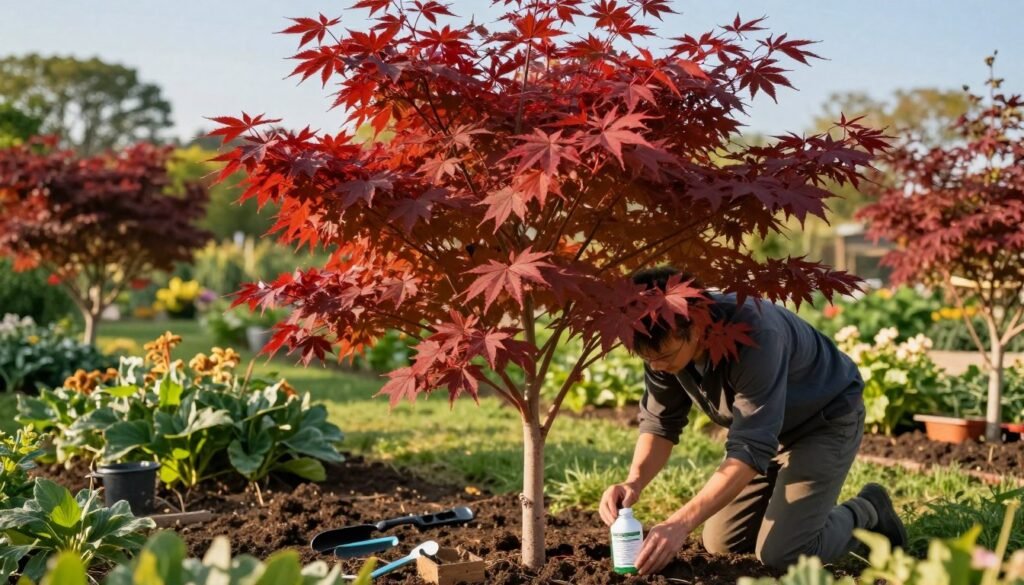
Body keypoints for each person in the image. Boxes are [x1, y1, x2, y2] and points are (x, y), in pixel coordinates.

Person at [598, 267, 907, 575]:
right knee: (722, 542)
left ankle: (868, 511)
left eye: (663, 356)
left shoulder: (756, 334)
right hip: (767, 433)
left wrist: (679, 523)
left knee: (785, 555)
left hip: (823, 420)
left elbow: (750, 447)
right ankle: (787, 520)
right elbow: (660, 424)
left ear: (694, 327)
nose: (657, 367)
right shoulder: (660, 342)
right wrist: (633, 482)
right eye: (647, 359)